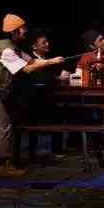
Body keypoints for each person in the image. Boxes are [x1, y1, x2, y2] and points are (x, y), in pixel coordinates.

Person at [0, 14, 64, 176]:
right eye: (22, 28)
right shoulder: (6, 50)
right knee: (4, 126)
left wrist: (52, 60)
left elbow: (31, 62)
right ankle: (3, 166)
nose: (25, 31)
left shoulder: (13, 47)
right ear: (13, 32)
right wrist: (52, 61)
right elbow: (27, 69)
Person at [21, 29, 71, 161]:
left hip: (47, 97)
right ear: (34, 46)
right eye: (44, 43)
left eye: (47, 41)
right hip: (33, 100)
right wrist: (57, 78)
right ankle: (34, 152)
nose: (47, 44)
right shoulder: (30, 60)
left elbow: (52, 76)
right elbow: (39, 80)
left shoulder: (48, 58)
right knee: (55, 111)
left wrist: (61, 75)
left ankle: (57, 148)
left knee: (61, 109)